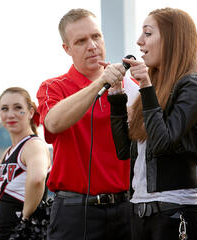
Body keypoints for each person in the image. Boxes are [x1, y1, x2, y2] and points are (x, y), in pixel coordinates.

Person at [108, 7, 197, 240]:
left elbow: (163, 142)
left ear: (172, 39)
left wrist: (145, 87)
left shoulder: (194, 86)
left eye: (147, 33)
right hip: (138, 213)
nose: (139, 41)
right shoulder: (153, 90)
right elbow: (124, 151)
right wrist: (117, 98)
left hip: (175, 214)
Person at [36, 8, 132, 240]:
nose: (92, 45)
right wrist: (101, 82)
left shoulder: (132, 83)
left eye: (96, 36)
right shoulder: (53, 87)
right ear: (66, 49)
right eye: (81, 41)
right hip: (75, 211)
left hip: (127, 208)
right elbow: (54, 122)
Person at [0, 87, 51, 240]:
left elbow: (37, 179)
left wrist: (25, 218)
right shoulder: (9, 151)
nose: (10, 114)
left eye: (18, 108)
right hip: (7, 232)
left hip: (26, 235)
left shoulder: (34, 145)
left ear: (30, 112)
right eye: (4, 109)